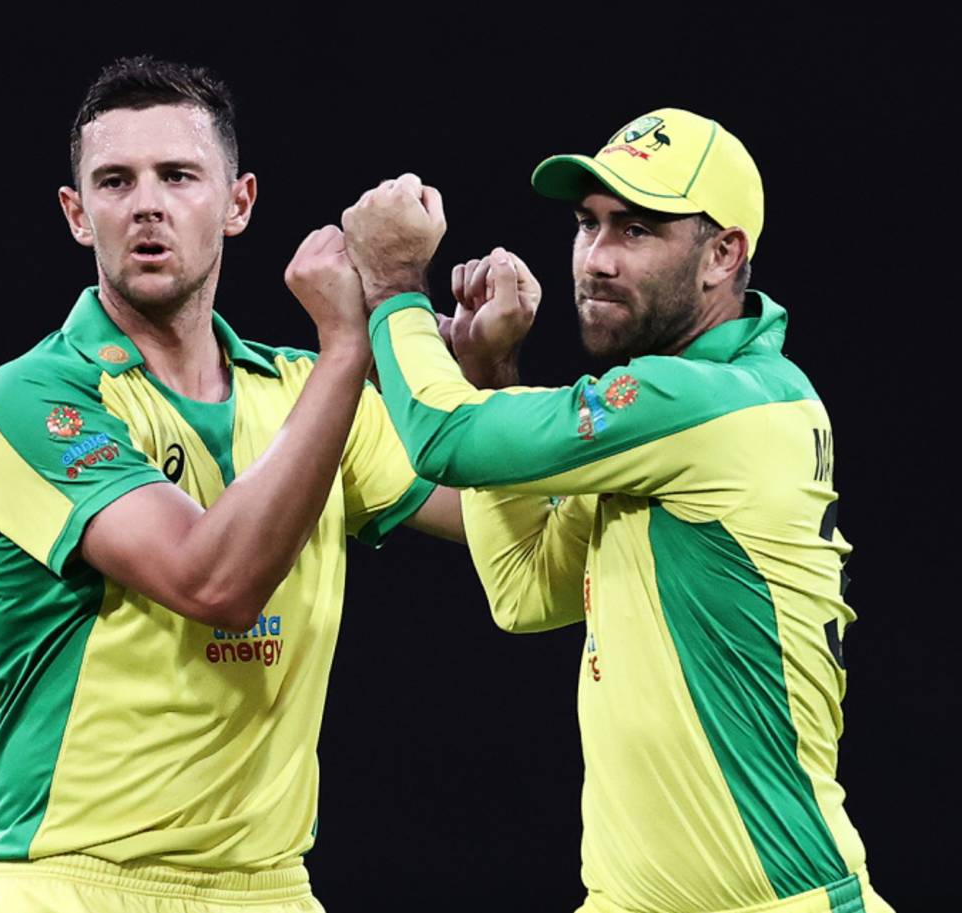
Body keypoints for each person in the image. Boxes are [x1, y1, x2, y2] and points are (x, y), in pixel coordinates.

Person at [339, 110, 893, 913]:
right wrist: (490, 368)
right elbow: (528, 589)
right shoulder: (684, 419)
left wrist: (394, 286)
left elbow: (442, 438)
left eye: (635, 230)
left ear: (723, 255)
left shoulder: (707, 402)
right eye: (587, 226)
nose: (596, 260)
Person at [0, 57, 461, 913]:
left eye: (178, 175)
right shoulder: (36, 397)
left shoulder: (303, 391)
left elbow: (516, 531)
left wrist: (486, 368)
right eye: (114, 181)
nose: (146, 203)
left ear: (239, 202)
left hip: (270, 887)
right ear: (77, 215)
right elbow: (214, 582)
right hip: (77, 884)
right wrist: (350, 346)